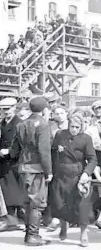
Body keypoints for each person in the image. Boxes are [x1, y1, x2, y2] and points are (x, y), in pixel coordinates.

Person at [9, 97, 52, 246]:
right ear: (44, 109)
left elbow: (14, 151)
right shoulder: (44, 125)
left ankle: (29, 234)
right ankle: (33, 236)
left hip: (22, 167)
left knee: (26, 203)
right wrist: (49, 171)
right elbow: (44, 151)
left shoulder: (21, 124)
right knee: (37, 203)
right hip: (37, 168)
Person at [50, 112, 97, 247]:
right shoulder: (60, 135)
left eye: (77, 127)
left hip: (78, 176)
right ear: (68, 125)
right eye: (72, 126)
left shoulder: (86, 138)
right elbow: (53, 153)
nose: (74, 130)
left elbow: (93, 159)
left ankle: (83, 233)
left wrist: (86, 173)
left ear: (81, 127)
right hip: (61, 174)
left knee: (81, 206)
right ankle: (64, 225)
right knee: (60, 203)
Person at [0, 97, 24, 231]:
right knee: (6, 190)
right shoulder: (2, 123)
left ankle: (13, 220)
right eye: (2, 109)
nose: (5, 112)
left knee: (13, 192)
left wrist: (9, 151)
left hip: (14, 161)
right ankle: (10, 219)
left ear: (15, 108)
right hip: (3, 162)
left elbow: (22, 144)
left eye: (8, 109)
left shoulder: (19, 124)